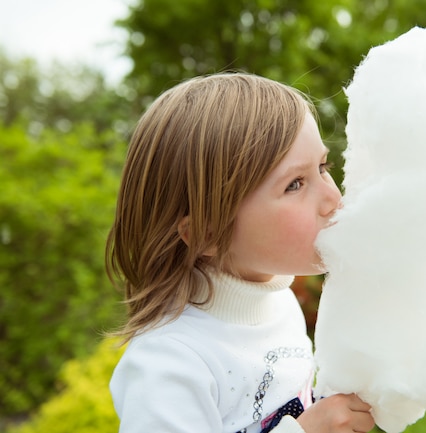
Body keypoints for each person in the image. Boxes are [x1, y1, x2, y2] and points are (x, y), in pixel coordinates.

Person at [106, 73, 375, 433]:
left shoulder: (280, 305)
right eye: (295, 184)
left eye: (323, 168)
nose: (334, 200)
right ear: (207, 233)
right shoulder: (170, 362)